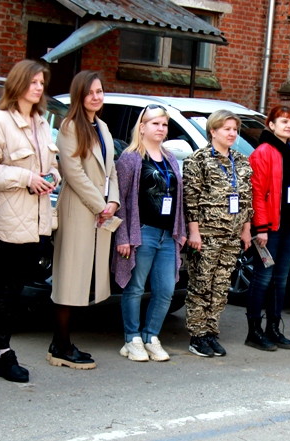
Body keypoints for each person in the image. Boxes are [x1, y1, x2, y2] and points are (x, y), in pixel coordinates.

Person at [0, 60, 61, 382]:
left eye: (42, 83)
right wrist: (26, 178)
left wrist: (51, 177)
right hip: (7, 219)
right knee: (5, 288)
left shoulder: (41, 123)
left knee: (16, 288)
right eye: (33, 82)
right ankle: (1, 353)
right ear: (18, 84)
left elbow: (53, 165)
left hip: (36, 220)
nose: (39, 88)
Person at [50, 70, 118, 370]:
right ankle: (61, 345)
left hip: (100, 210)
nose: (96, 96)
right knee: (69, 277)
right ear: (79, 95)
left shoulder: (102, 126)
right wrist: (100, 204)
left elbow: (111, 169)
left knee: (84, 278)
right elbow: (73, 173)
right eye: (90, 92)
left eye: (99, 91)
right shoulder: (69, 126)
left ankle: (61, 342)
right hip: (78, 209)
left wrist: (113, 200)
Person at [112, 104, 186, 361]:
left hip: (168, 235)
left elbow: (178, 198)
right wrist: (123, 236)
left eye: (164, 124)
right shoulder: (130, 158)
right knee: (135, 288)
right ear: (142, 127)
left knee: (166, 289)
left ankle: (150, 336)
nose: (161, 128)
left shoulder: (170, 158)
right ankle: (131, 338)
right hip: (142, 233)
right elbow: (120, 200)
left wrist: (180, 230)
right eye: (155, 123)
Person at [184, 110, 253, 357]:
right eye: (227, 129)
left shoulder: (241, 161)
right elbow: (190, 200)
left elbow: (246, 199)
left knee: (221, 286)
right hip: (206, 235)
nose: (232, 134)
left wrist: (246, 230)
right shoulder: (198, 160)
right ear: (213, 131)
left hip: (232, 236)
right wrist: (194, 232)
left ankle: (211, 332)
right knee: (201, 284)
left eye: (235, 129)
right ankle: (197, 335)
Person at [245, 105, 290, 351]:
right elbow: (257, 193)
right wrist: (260, 227)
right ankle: (254, 331)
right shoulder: (263, 152)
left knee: (281, 279)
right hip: (269, 228)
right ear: (271, 125)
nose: (289, 126)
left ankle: (273, 327)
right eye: (283, 121)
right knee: (263, 278)